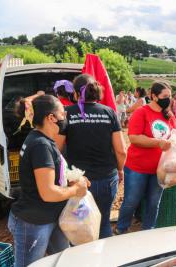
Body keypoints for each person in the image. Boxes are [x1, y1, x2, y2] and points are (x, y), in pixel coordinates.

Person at [8, 95, 90, 267]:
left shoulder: (43, 140)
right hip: (33, 223)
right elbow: (48, 192)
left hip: (51, 217)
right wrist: (76, 191)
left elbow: (54, 177)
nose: (65, 116)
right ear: (51, 117)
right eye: (62, 113)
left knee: (62, 261)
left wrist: (74, 180)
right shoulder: (40, 145)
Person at [59, 74, 127, 239]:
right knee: (103, 222)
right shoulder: (109, 112)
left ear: (75, 94)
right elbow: (121, 150)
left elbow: (57, 148)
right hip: (106, 178)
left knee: (78, 224)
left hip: (78, 181)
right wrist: (120, 169)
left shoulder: (67, 113)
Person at [115, 81, 176, 234]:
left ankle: (148, 231)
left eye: (170, 96)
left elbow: (174, 135)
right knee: (131, 201)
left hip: (160, 169)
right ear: (153, 96)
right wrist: (158, 142)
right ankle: (122, 229)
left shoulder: (169, 116)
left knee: (154, 202)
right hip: (138, 168)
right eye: (164, 96)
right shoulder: (141, 112)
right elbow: (134, 137)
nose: (168, 99)